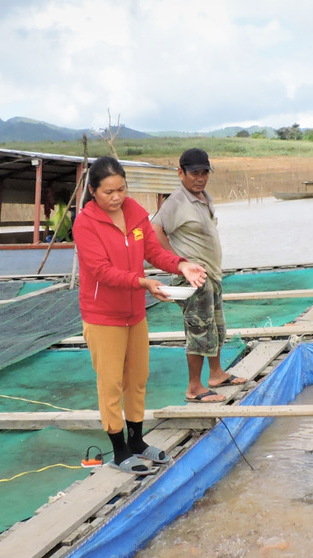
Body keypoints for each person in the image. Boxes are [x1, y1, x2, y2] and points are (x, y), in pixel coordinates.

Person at [74, 156, 207, 475]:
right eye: (108, 192)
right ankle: (119, 452)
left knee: (137, 379)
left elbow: (153, 251)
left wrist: (180, 264)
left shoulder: (134, 212)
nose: (117, 197)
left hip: (134, 312)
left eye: (121, 189)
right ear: (92, 191)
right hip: (103, 316)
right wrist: (144, 282)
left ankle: (137, 442)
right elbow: (101, 272)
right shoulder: (85, 223)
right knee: (111, 383)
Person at [152, 148, 247, 403]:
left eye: (205, 172)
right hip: (192, 280)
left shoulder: (204, 197)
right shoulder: (176, 201)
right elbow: (155, 230)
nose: (200, 178)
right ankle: (194, 388)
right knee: (198, 330)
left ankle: (216, 374)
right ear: (181, 172)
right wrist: (178, 262)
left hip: (210, 276)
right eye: (195, 173)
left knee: (215, 327)